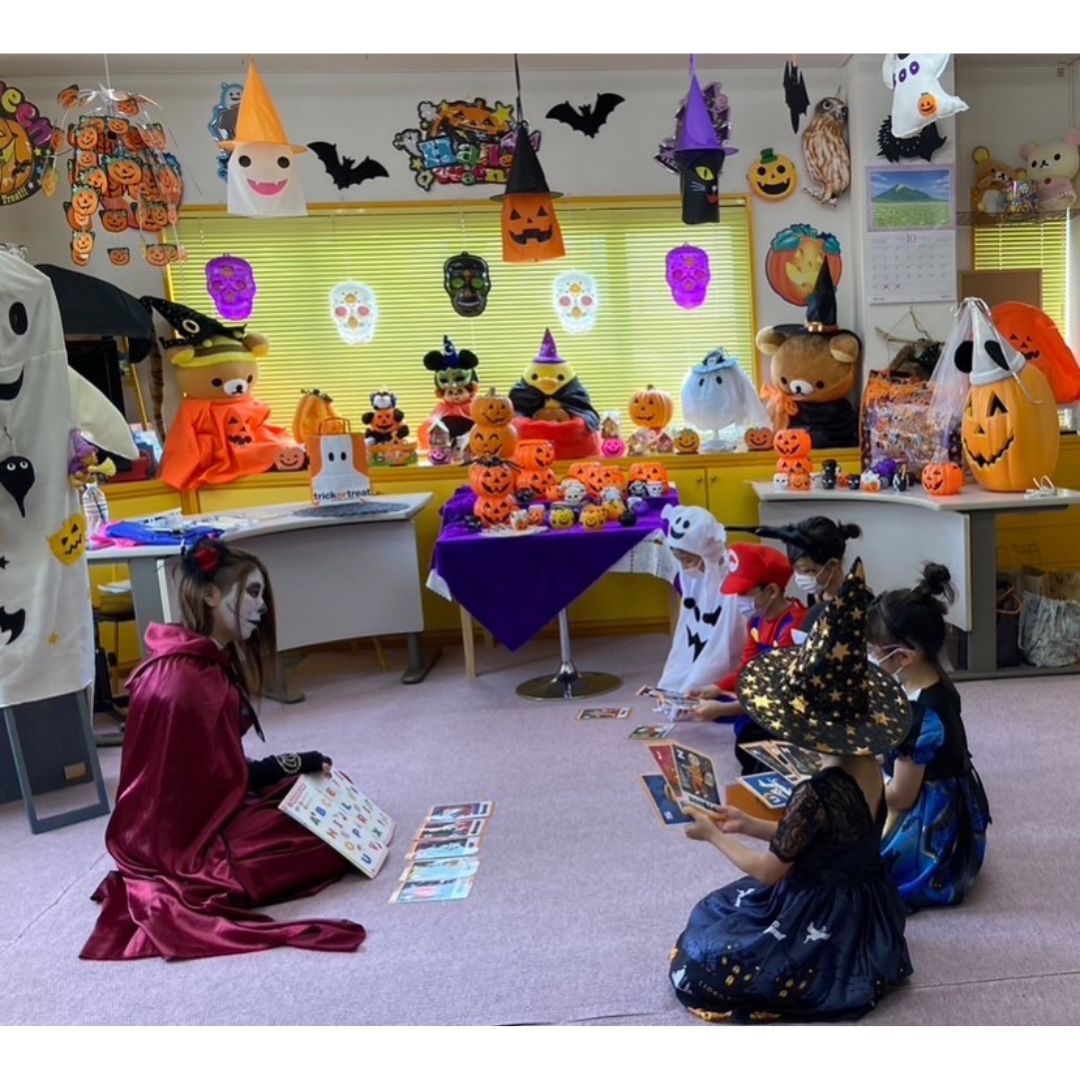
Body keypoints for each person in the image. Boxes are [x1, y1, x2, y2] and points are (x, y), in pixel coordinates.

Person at [80, 538, 367, 961]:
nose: (262, 606)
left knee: (320, 793)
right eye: (252, 592)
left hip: (198, 814)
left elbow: (217, 770)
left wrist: (296, 765)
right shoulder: (187, 679)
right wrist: (293, 763)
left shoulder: (199, 662)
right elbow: (220, 780)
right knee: (317, 836)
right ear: (212, 595)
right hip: (184, 843)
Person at [669, 560, 913, 1024]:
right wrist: (748, 823)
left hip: (819, 914)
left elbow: (768, 872)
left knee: (708, 943)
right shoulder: (868, 764)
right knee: (719, 914)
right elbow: (823, 839)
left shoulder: (815, 792)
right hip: (866, 905)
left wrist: (713, 835)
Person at [866, 563, 991, 912]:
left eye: (875, 650)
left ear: (905, 656)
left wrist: (856, 791)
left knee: (847, 869)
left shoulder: (920, 716)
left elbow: (901, 796)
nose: (870, 657)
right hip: (929, 785)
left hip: (930, 818)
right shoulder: (929, 680)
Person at [688, 543, 806, 774]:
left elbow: (778, 693)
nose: (738, 599)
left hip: (787, 704)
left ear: (772, 591)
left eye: (744, 593)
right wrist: (717, 687)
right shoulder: (756, 620)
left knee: (748, 746)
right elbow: (748, 668)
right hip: (764, 694)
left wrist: (725, 709)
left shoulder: (793, 627)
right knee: (730, 715)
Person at [658, 505, 748, 693]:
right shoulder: (693, 578)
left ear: (707, 554)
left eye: (687, 560)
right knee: (672, 683)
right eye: (680, 561)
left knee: (697, 686)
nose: (685, 567)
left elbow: (731, 638)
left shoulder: (732, 579)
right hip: (697, 642)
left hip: (724, 657)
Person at [750, 517, 862, 637]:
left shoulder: (859, 602)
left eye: (806, 571)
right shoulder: (815, 595)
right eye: (796, 571)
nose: (800, 578)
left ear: (832, 565)